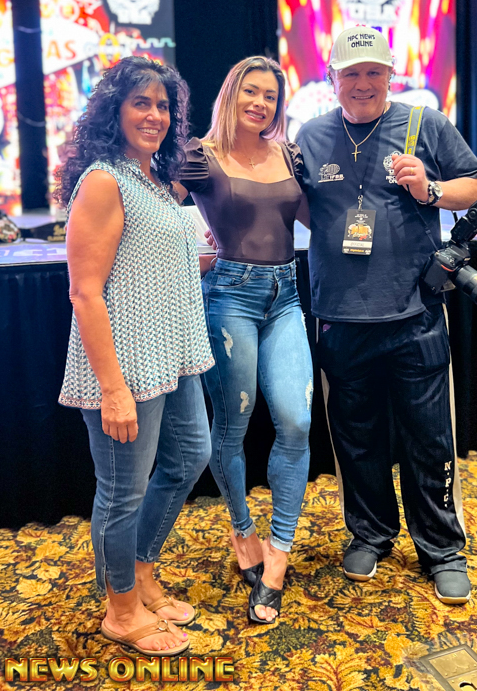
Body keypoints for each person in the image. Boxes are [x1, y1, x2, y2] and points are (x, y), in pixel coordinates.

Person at [295, 26, 477, 605]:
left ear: (390, 75)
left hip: (414, 311)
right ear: (333, 77)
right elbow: (300, 206)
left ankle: (442, 549)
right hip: (340, 314)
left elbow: (475, 185)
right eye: (351, 73)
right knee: (356, 438)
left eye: (373, 72)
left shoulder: (424, 123)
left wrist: (430, 190)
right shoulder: (311, 135)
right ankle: (371, 534)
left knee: (429, 439)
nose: (363, 83)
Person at [55, 57, 214, 654]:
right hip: (124, 366)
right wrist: (113, 388)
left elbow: (147, 260)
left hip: (172, 356)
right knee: (122, 491)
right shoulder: (104, 180)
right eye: (141, 103)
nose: (155, 115)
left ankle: (140, 571)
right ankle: (120, 609)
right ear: (113, 111)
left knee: (190, 457)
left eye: (163, 105)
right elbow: (84, 292)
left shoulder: (150, 177)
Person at [175, 56, 313, 625]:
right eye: (251, 91)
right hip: (228, 295)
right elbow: (153, 210)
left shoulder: (290, 155)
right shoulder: (198, 155)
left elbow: (316, 218)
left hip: (286, 295)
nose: (260, 103)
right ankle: (241, 528)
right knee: (233, 424)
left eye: (270, 96)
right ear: (231, 92)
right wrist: (189, 250)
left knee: (297, 422)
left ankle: (279, 549)